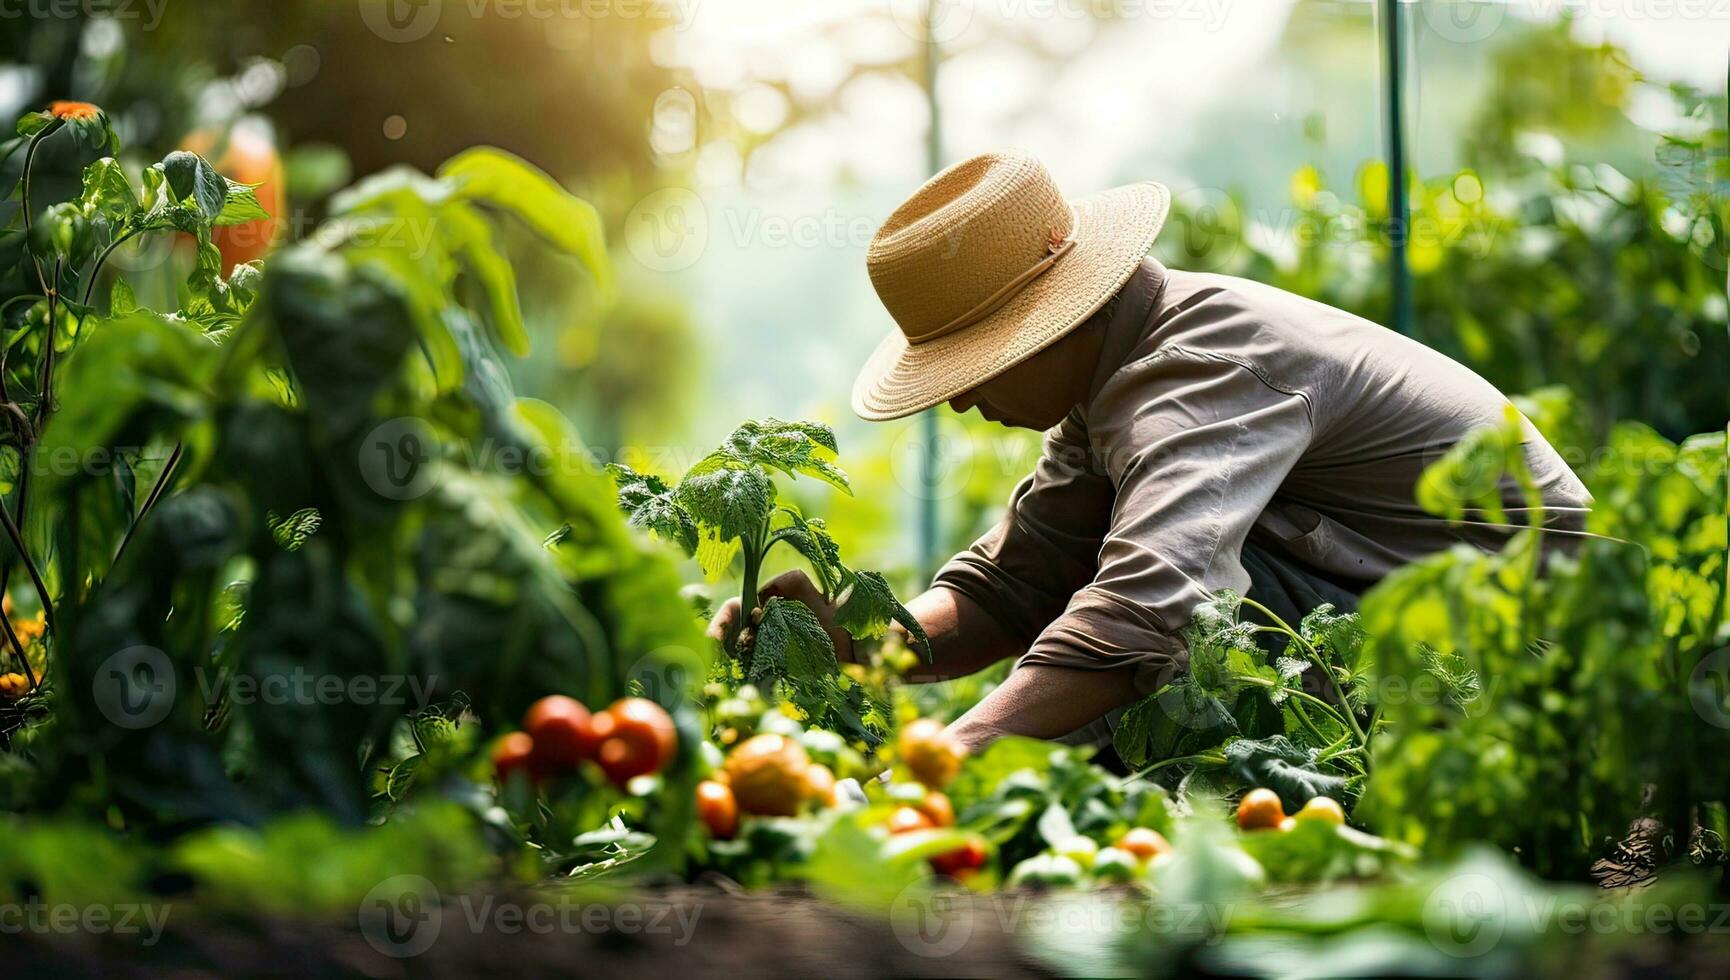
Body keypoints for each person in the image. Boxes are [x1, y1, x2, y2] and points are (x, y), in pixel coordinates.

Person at [709, 150, 1589, 755]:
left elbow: (1145, 612)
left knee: (1171, 646)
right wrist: (859, 643)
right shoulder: (1123, 378)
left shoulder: (1196, 373)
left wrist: (951, 757)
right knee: (1109, 624)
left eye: (974, 368)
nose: (967, 399)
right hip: (1417, 631)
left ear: (1044, 327)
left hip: (1529, 672)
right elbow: (1017, 579)